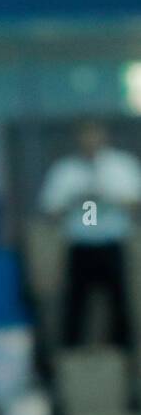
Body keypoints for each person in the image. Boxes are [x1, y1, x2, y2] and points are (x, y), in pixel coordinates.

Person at [39, 118, 141, 349]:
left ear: (104, 137)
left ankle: (121, 362)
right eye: (85, 136)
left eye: (95, 135)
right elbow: (49, 210)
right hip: (80, 246)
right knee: (75, 307)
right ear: (78, 139)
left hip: (112, 244)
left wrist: (110, 197)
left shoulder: (122, 166)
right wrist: (75, 199)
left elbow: (136, 203)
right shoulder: (65, 171)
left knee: (119, 305)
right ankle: (72, 365)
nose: (90, 141)